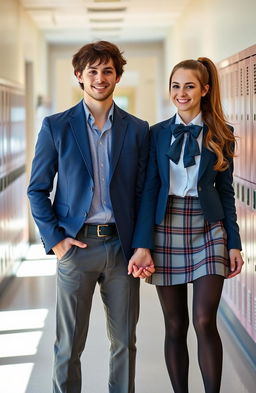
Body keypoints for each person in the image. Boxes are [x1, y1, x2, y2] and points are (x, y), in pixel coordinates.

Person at [27, 40, 154, 393]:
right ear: (79, 76)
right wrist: (56, 241)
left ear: (117, 76)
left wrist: (142, 244)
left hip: (121, 248)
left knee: (124, 343)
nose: (100, 78)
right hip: (76, 247)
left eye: (107, 71)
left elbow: (145, 194)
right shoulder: (56, 127)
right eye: (93, 71)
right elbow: (37, 189)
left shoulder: (137, 129)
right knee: (68, 346)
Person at [128, 57, 244, 393]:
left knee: (204, 321)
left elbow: (226, 193)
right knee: (175, 325)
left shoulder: (222, 134)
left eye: (190, 86)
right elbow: (149, 189)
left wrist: (234, 243)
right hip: (165, 227)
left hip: (209, 228)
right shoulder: (157, 134)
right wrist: (143, 243)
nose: (182, 93)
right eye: (176, 86)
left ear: (204, 90)